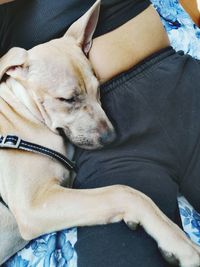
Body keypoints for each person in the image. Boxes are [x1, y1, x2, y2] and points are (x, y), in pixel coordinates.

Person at [0, 0, 200, 266]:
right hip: (117, 148)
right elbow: (32, 212)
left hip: (179, 81)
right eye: (68, 99)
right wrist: (128, 202)